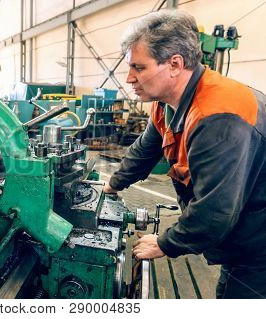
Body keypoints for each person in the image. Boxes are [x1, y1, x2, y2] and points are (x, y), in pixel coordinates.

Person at [103, 9, 266, 298]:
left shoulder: (218, 117)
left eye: (139, 68)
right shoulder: (167, 102)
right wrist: (112, 184)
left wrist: (164, 244)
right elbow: (146, 149)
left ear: (175, 64)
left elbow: (215, 212)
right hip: (242, 231)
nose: (129, 78)